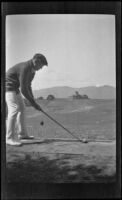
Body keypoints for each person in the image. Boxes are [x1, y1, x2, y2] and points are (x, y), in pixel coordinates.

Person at [6, 53, 48, 146]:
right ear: (36, 61)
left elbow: (28, 86)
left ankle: (22, 135)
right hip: (7, 87)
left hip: (15, 88)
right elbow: (24, 89)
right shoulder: (25, 68)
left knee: (22, 108)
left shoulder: (32, 71)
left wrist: (33, 101)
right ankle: (9, 138)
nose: (41, 68)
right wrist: (33, 103)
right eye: (41, 65)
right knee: (14, 109)